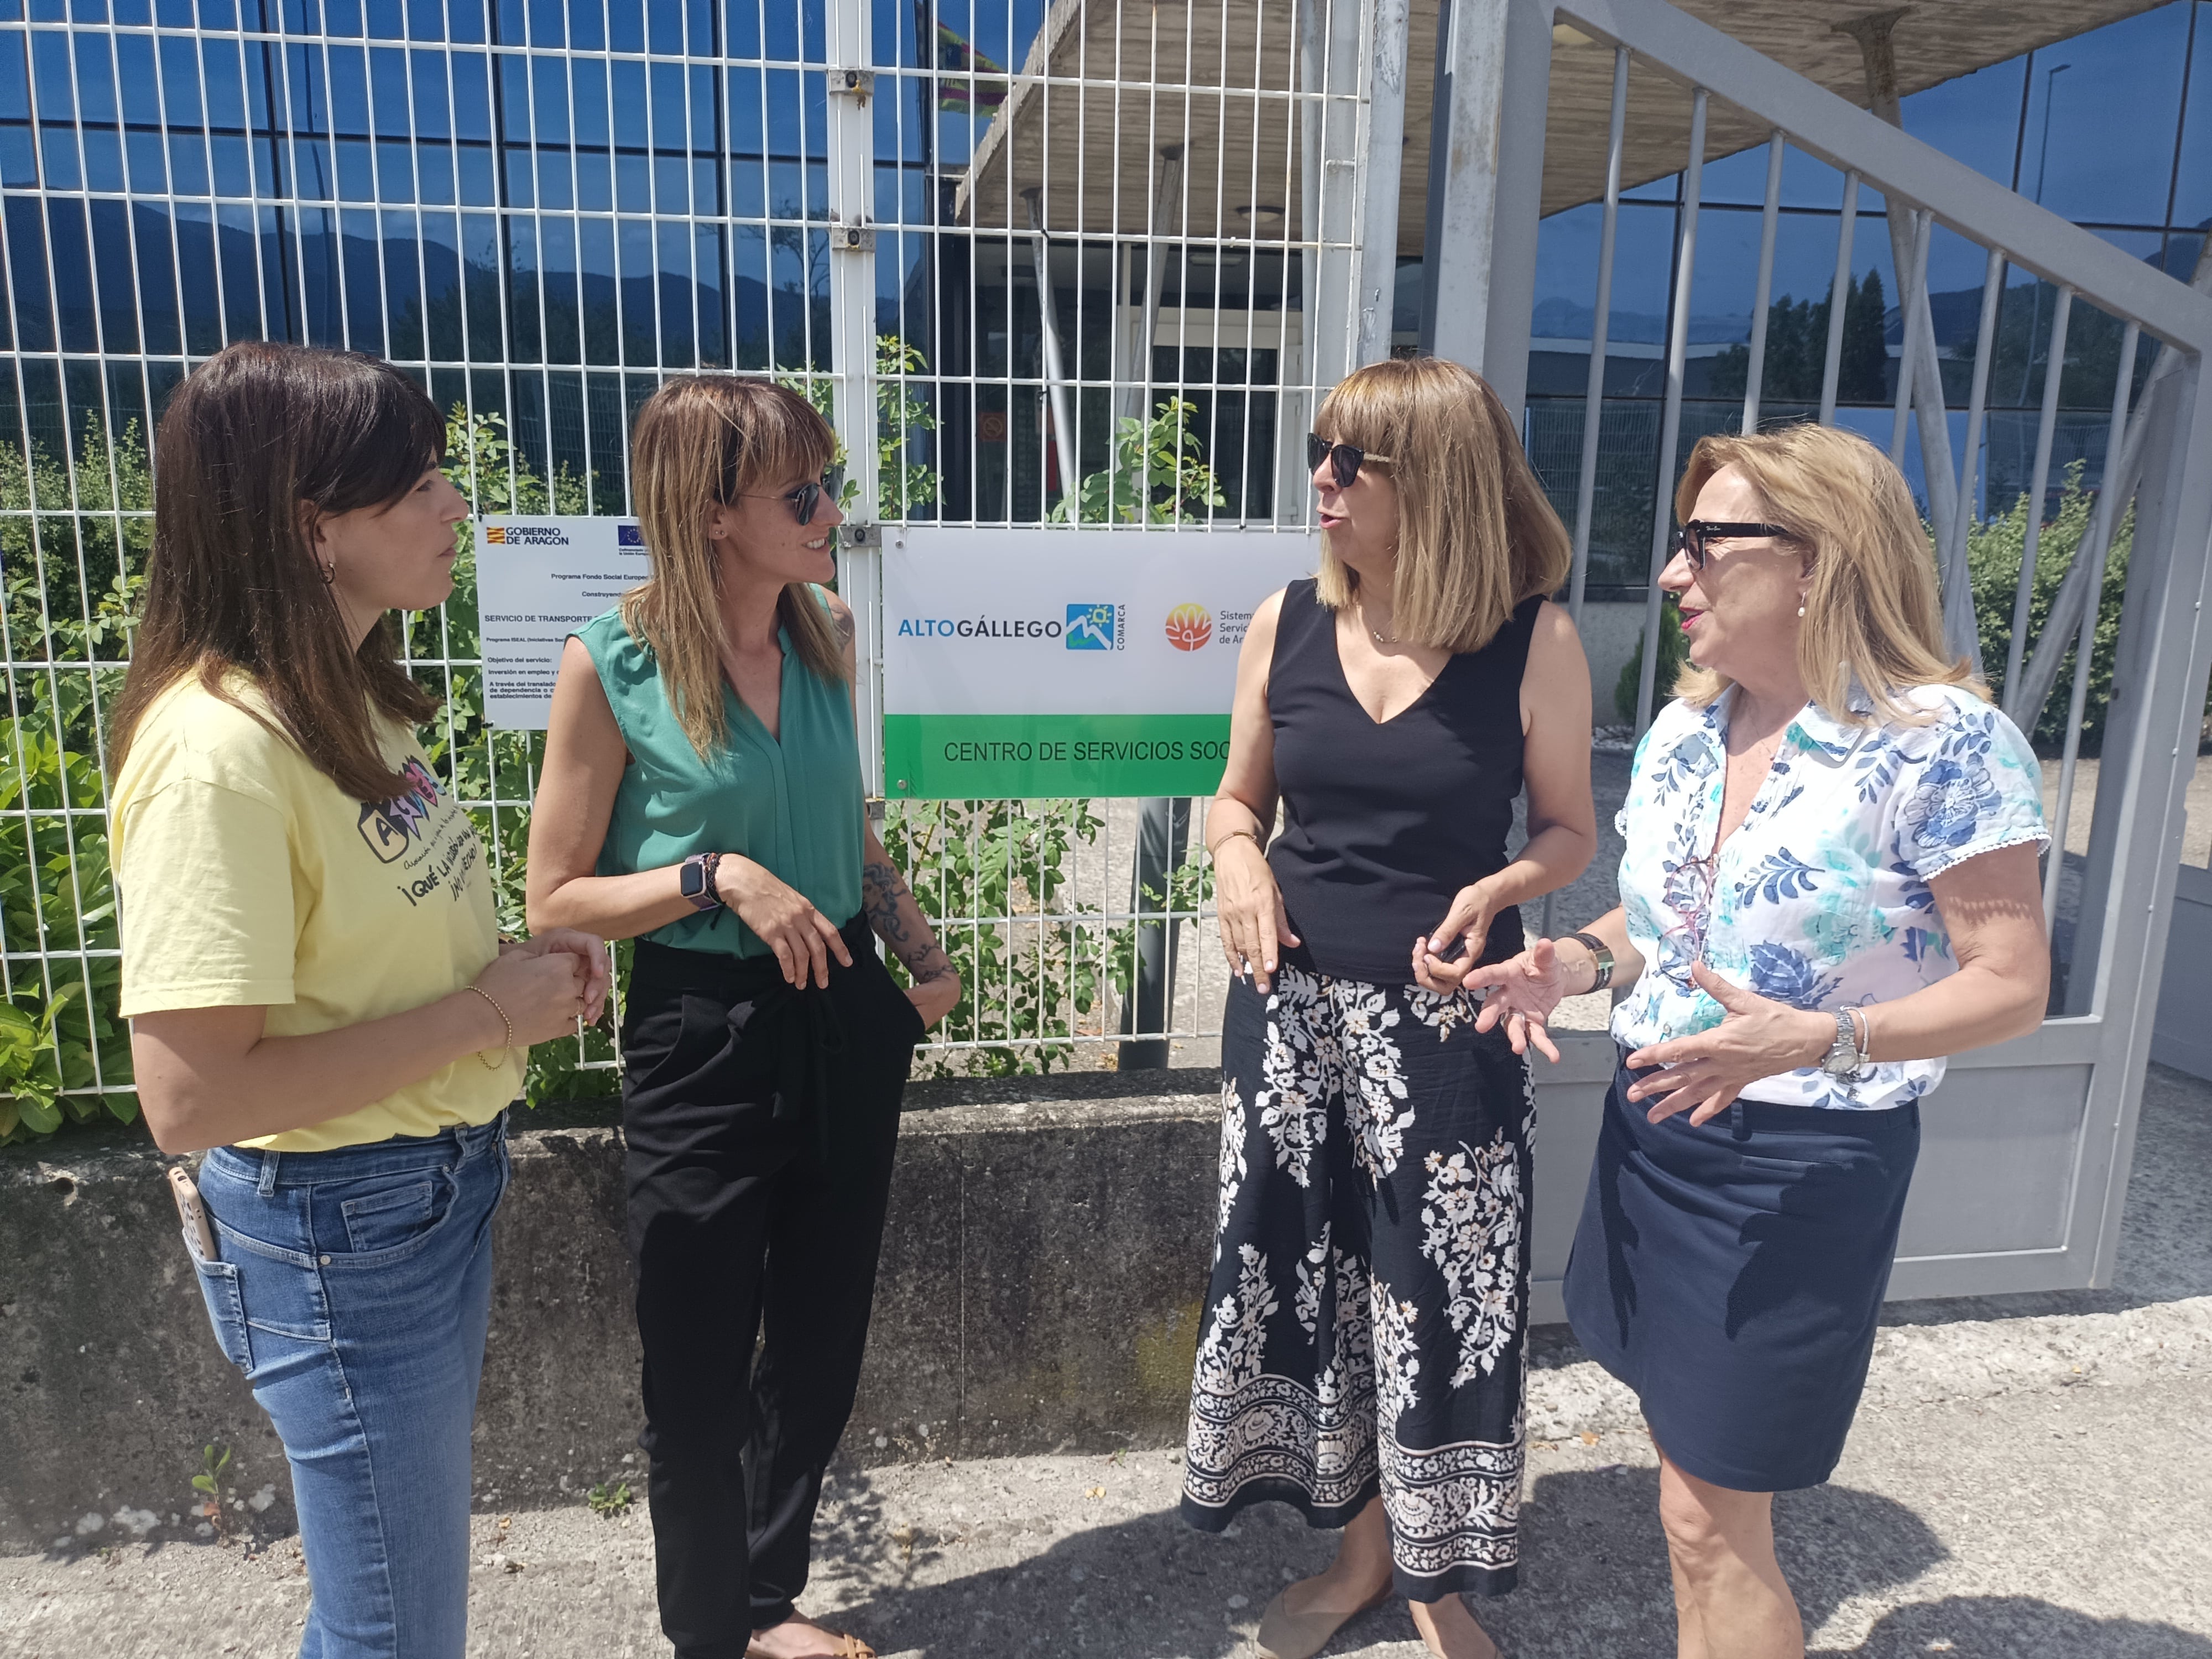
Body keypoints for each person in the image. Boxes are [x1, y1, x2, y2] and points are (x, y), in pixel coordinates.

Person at [1470, 424, 2052, 1658]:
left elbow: (2009, 984)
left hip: (1791, 1177)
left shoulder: (1940, 743)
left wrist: (1823, 1036)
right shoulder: (1688, 731)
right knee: (1685, 1482)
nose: (1670, 575)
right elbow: (1670, 919)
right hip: (1650, 1141)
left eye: (1703, 543)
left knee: (1703, 1520)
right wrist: (1571, 961)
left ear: (1815, 560)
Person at [111, 341, 610, 1659]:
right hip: (343, 1230)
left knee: (396, 1602)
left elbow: (358, 940)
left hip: (423, 1188)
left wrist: (514, 974)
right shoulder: (218, 753)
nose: (457, 506)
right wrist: (490, 1017)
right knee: (394, 1627)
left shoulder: (345, 694)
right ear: (309, 527)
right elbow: (191, 1095)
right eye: (416, 484)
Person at [526, 375, 959, 1659]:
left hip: (841, 1010)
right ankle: (710, 1634)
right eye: (803, 489)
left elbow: (847, 825)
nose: (833, 506)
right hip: (699, 1030)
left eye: (827, 480)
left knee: (821, 1348)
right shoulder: (612, 664)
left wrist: (915, 950)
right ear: (713, 514)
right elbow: (554, 891)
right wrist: (710, 874)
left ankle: (766, 1604)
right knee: (696, 1366)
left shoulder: (823, 629)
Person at [1181, 356, 1597, 1659]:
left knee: (1437, 1293)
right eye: (1320, 448)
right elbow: (1234, 800)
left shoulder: (1534, 642)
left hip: (1449, 1026)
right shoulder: (1280, 623)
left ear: (1436, 483)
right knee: (1311, 1280)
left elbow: (1574, 833)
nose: (1320, 477)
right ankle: (1362, 1557)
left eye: (1350, 459)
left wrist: (1509, 885)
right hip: (1292, 1023)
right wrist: (1238, 854)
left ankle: (1435, 1580)